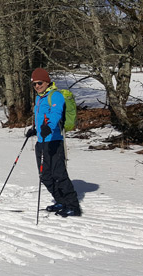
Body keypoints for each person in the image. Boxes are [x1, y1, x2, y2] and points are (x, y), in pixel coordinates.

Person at [26, 68, 81, 217]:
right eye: (34, 84)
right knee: (45, 176)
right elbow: (41, 118)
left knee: (59, 175)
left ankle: (73, 206)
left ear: (47, 81)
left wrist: (48, 128)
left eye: (40, 83)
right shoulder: (39, 97)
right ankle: (60, 201)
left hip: (54, 141)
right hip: (41, 142)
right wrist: (36, 130)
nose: (37, 86)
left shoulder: (55, 96)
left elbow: (55, 115)